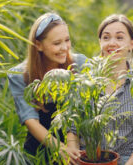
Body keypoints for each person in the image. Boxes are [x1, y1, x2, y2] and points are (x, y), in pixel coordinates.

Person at [68, 14, 133, 165]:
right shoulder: (84, 82)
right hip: (87, 160)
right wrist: (73, 151)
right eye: (106, 38)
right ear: (100, 42)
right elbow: (72, 126)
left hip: (127, 160)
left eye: (119, 38)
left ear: (132, 44)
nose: (112, 43)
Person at [8, 12, 86, 164]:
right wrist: (61, 149)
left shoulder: (79, 64)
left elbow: (77, 110)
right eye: (57, 43)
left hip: (77, 146)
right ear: (38, 45)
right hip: (40, 149)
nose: (64, 48)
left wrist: (71, 148)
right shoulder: (20, 75)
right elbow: (30, 120)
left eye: (67, 40)